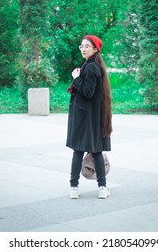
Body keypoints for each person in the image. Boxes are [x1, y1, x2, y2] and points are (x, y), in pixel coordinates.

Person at [66, 35, 112, 199]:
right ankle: (101, 188)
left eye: (87, 46)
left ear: (95, 49)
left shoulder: (91, 67)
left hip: (85, 117)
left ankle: (74, 188)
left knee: (79, 152)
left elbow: (87, 91)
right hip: (89, 116)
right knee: (95, 151)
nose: (83, 49)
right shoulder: (91, 65)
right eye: (82, 46)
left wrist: (76, 79)